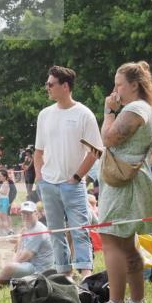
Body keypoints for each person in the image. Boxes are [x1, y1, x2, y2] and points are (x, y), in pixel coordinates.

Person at [89, 61, 152, 303]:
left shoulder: (136, 108)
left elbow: (109, 138)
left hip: (122, 184)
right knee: (126, 244)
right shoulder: (144, 107)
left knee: (112, 240)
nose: (115, 91)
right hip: (127, 181)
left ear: (134, 85)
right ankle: (136, 301)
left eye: (119, 85)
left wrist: (108, 112)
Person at [34, 66, 102, 280]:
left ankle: (85, 272)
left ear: (65, 86)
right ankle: (64, 272)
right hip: (49, 183)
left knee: (79, 229)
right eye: (47, 83)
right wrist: (39, 177)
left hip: (72, 184)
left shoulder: (84, 114)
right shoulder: (44, 115)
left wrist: (76, 177)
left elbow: (95, 151)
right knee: (55, 232)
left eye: (50, 84)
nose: (47, 88)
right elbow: (38, 151)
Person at [0, 201, 54, 296]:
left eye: (29, 213)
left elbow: (22, 258)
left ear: (36, 213)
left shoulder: (37, 230)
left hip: (40, 270)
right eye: (24, 213)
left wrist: (19, 241)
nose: (26, 216)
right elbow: (20, 250)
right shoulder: (29, 227)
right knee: (8, 270)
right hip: (31, 264)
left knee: (9, 267)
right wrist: (20, 240)